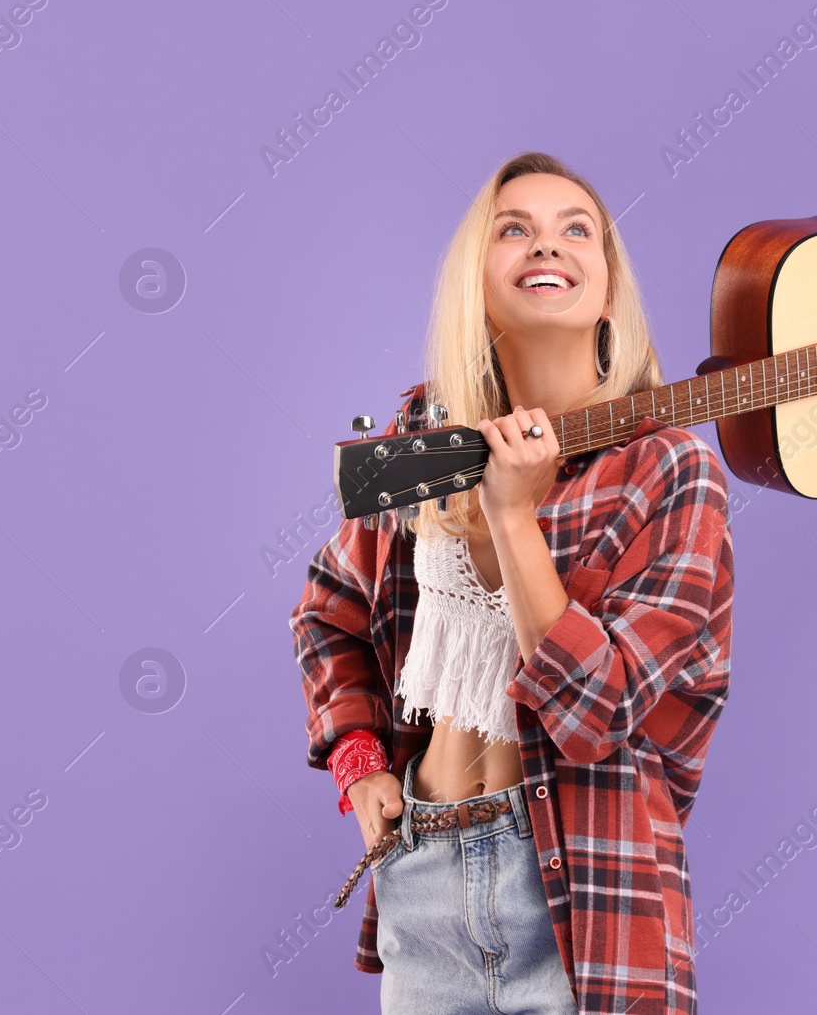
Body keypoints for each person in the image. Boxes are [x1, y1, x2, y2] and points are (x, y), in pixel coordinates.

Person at [291, 151, 735, 1015]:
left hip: (585, 905)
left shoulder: (670, 472)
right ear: (478, 280)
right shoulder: (422, 433)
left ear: (608, 292)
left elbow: (595, 713)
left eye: (579, 231)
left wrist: (512, 515)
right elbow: (329, 607)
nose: (549, 245)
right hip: (422, 884)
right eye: (514, 228)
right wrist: (359, 763)